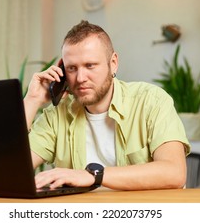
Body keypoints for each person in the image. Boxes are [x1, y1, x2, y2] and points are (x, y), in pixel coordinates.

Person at [23, 20, 190, 191]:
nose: (80, 78)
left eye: (90, 65)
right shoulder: (57, 115)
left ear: (113, 63)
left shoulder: (151, 101)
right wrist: (32, 100)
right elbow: (9, 170)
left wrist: (94, 175)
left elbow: (175, 172)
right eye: (72, 68)